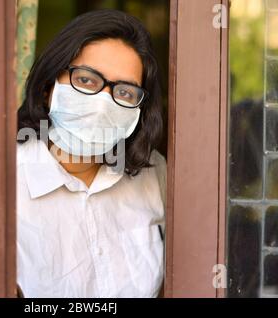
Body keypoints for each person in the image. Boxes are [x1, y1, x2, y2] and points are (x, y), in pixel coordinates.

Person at [16, 9, 167, 298]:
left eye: (124, 92)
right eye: (86, 80)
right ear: (49, 86)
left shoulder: (155, 173)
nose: (102, 103)